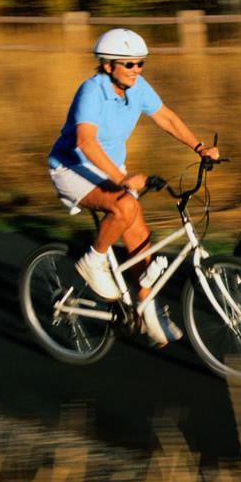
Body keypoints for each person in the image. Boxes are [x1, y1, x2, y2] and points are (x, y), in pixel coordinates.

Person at [48, 28, 220, 346]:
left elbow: (166, 118)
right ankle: (93, 260)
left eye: (141, 63)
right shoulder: (92, 90)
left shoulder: (137, 87)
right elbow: (85, 142)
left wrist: (199, 147)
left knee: (143, 248)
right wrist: (121, 179)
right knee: (124, 205)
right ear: (109, 64)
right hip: (73, 168)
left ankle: (147, 310)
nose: (137, 70)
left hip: (110, 171)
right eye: (129, 64)